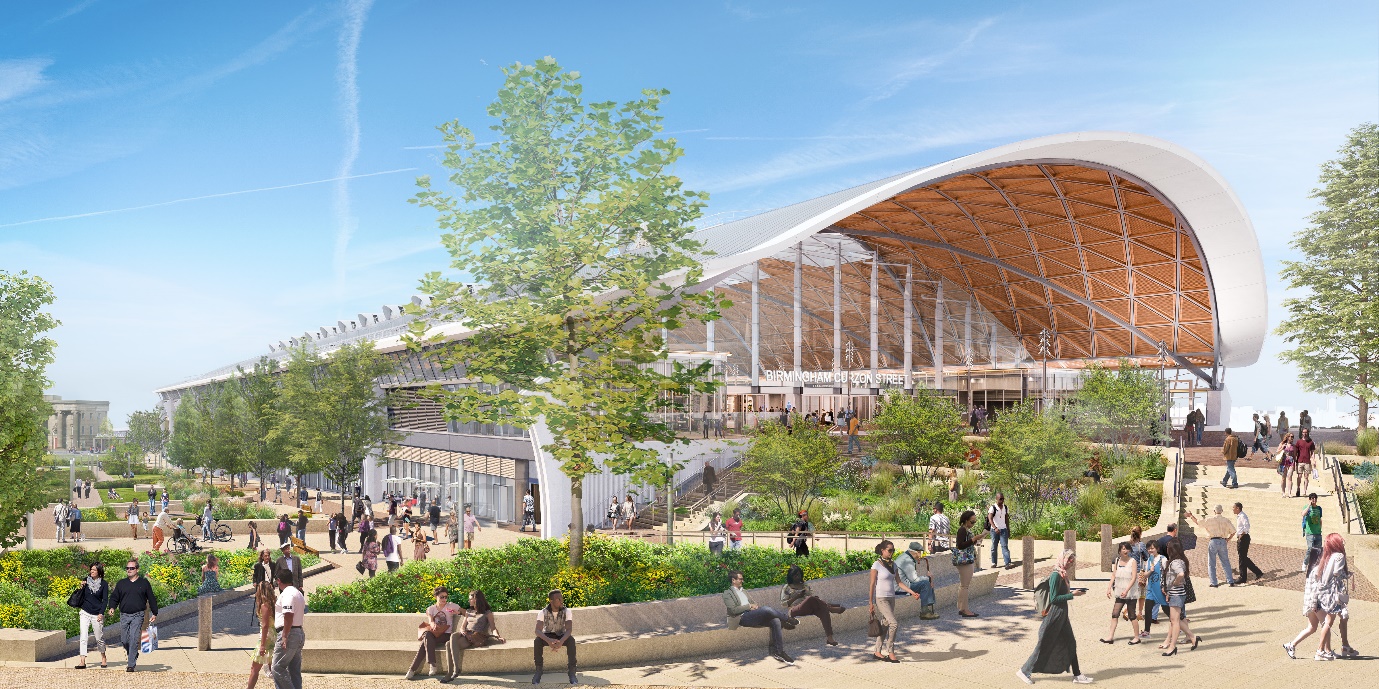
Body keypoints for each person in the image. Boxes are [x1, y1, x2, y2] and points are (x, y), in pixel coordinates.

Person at [1017, 550, 1092, 684]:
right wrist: (1073, 595)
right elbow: (1054, 598)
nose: (1071, 562)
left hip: (1062, 614)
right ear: (1062, 558)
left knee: (1071, 643)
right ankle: (1024, 671)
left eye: (1072, 560)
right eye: (1069, 559)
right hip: (1055, 614)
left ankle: (1077, 675)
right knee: (1043, 644)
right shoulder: (1056, 576)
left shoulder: (1063, 574)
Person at [722, 570, 797, 665]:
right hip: (742, 618)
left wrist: (755, 606)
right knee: (766, 609)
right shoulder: (727, 593)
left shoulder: (743, 591)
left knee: (776, 620)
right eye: (740, 579)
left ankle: (779, 652)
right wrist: (749, 606)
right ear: (733, 580)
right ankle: (787, 619)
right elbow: (733, 610)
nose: (742, 581)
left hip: (753, 615)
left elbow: (753, 603)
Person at [870, 540, 922, 662]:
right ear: (882, 550)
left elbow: (899, 582)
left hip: (891, 598)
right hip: (881, 598)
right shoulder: (876, 565)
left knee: (886, 624)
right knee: (894, 624)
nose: (892, 553)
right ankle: (891, 651)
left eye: (893, 550)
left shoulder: (893, 565)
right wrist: (870, 603)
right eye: (889, 550)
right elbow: (872, 584)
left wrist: (912, 592)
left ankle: (877, 651)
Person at [109, 558, 159, 672]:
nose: (129, 570)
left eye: (132, 568)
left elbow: (151, 598)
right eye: (127, 568)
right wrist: (112, 607)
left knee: (133, 639)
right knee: (124, 640)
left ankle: (131, 664)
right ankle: (133, 654)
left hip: (138, 615)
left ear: (137, 569)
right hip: (124, 615)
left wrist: (154, 612)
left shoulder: (144, 583)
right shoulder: (121, 583)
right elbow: (114, 597)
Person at [781, 564, 845, 646]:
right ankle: (830, 607)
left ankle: (830, 638)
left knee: (822, 610)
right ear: (791, 576)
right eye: (795, 575)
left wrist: (807, 596)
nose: (797, 577)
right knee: (812, 599)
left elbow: (811, 597)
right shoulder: (787, 587)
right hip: (794, 610)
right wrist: (797, 597)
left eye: (799, 574)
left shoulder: (804, 585)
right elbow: (783, 604)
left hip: (808, 607)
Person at [444, 590, 500, 682]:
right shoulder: (468, 611)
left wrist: (497, 636)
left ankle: (452, 672)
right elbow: (462, 627)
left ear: (476, 600)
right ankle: (454, 670)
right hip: (466, 634)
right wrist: (463, 632)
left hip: (476, 636)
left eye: (470, 599)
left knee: (447, 644)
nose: (469, 601)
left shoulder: (487, 613)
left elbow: (493, 628)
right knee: (453, 636)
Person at [406, 585, 458, 679]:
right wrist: (433, 623)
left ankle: (414, 669)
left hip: (446, 635)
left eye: (446, 597)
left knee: (425, 640)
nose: (444, 599)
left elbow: (463, 611)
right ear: (436, 597)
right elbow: (430, 619)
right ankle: (428, 666)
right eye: (442, 597)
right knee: (427, 637)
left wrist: (457, 612)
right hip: (434, 634)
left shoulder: (450, 605)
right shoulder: (431, 609)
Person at [1314, 533, 1353, 660]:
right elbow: (1337, 573)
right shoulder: (1340, 556)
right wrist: (1346, 576)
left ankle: (1345, 645)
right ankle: (1320, 650)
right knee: (1329, 621)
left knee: (1343, 616)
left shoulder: (1328, 556)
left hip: (1325, 592)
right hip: (1334, 593)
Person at [1159, 539, 1200, 656]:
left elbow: (1181, 574)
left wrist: (1176, 582)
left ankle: (1172, 647)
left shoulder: (1175, 562)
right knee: (1176, 619)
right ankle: (1193, 637)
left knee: (1175, 621)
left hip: (1176, 594)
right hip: (1177, 594)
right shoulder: (1181, 560)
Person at [271, 567, 307, 689]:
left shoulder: (287, 594)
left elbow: (288, 614)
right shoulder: (297, 593)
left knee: (277, 667)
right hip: (298, 632)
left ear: (279, 580)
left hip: (289, 633)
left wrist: (285, 635)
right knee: (294, 669)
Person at [1100, 543, 1142, 644]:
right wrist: (1109, 587)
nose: (1125, 551)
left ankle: (1137, 637)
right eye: (1123, 549)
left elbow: (1133, 578)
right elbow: (1114, 575)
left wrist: (1126, 590)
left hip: (1130, 592)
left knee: (1132, 615)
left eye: (1127, 549)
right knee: (1115, 614)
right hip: (1120, 591)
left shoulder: (1133, 561)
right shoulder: (1117, 560)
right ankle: (1110, 637)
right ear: (1119, 551)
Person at [533, 589, 578, 684]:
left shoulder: (567, 611)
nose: (561, 600)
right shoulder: (543, 612)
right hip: (548, 635)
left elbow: (569, 629)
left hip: (562, 635)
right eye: (558, 599)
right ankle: (538, 670)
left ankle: (572, 672)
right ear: (551, 601)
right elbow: (537, 630)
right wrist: (549, 641)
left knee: (571, 640)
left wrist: (561, 642)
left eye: (561, 598)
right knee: (537, 641)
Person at [1185, 506, 1235, 587]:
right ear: (1222, 511)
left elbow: (1198, 522)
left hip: (1213, 541)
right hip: (1223, 541)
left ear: (1214, 511)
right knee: (1225, 562)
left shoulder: (1210, 519)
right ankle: (1230, 581)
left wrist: (1191, 515)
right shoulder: (1226, 520)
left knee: (1211, 563)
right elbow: (1233, 531)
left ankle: (1214, 582)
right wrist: (1228, 539)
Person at [75, 562, 111, 669]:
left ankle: (103, 656)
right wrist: (81, 586)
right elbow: (81, 594)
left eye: (94, 570)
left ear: (99, 572)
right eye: (91, 569)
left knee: (99, 638)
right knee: (83, 636)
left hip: (97, 614)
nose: (91, 571)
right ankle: (82, 661)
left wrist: (101, 613)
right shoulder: (86, 580)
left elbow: (105, 600)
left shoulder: (103, 584)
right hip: (85, 612)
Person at [954, 509, 986, 617]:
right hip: (964, 561)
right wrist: (973, 540)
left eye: (974, 522)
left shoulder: (966, 530)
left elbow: (965, 544)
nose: (973, 524)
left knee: (963, 585)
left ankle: (962, 607)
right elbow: (960, 545)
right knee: (965, 586)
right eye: (972, 522)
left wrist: (976, 539)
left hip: (967, 560)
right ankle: (965, 609)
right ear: (966, 520)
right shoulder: (962, 530)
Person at [894, 541, 939, 619]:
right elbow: (914, 579)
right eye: (920, 553)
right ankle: (925, 612)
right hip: (900, 587)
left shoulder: (904, 556)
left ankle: (928, 608)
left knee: (926, 582)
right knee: (925, 583)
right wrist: (928, 578)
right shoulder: (907, 561)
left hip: (899, 584)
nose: (920, 555)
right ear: (915, 552)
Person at [245, 580, 276, 689]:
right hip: (273, 636)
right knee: (274, 668)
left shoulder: (265, 605)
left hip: (266, 638)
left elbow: (265, 626)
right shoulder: (274, 602)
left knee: (255, 668)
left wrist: (262, 645)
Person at [1231, 502, 1264, 584]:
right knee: (1243, 557)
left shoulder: (1242, 516)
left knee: (1242, 558)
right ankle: (1257, 572)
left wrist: (1241, 535)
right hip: (1242, 538)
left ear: (1238, 508)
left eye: (1233, 507)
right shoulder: (1239, 516)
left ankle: (1243, 577)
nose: (1233, 509)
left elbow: (1247, 526)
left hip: (1244, 538)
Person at [1140, 540, 1167, 638]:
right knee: (1147, 610)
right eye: (1149, 549)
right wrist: (1150, 571)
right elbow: (1145, 575)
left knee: (1167, 610)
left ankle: (1179, 626)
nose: (1150, 550)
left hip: (1160, 589)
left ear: (1157, 549)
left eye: (1152, 548)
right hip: (1150, 589)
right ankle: (1147, 631)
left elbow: (1167, 573)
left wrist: (1166, 587)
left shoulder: (1162, 559)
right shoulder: (1148, 561)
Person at [988, 492, 1012, 569]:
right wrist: (995, 528)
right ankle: (994, 562)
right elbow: (990, 519)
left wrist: (1008, 529)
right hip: (994, 531)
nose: (1002, 500)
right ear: (996, 499)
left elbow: (1006, 519)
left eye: (1003, 499)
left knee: (1004, 546)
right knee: (994, 547)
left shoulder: (1005, 507)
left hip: (1003, 529)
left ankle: (1007, 563)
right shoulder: (993, 508)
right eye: (1000, 499)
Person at [1302, 493, 1324, 567]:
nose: (1314, 500)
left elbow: (1320, 519)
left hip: (1317, 532)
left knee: (1318, 550)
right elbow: (1303, 514)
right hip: (1310, 533)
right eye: (1312, 498)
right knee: (1310, 549)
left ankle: (1316, 564)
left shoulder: (1319, 508)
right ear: (1310, 499)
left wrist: (1320, 528)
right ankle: (1305, 563)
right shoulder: (1307, 507)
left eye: (1315, 498)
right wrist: (1309, 505)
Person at [1295, 428, 1318, 496]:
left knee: (1306, 477)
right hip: (1300, 461)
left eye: (1306, 432)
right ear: (1302, 433)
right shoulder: (1299, 441)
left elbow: (1312, 452)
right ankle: (1298, 489)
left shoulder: (1311, 442)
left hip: (1307, 461)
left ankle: (1304, 491)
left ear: (1308, 433)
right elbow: (1296, 451)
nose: (1304, 434)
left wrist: (1313, 460)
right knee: (1299, 476)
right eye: (1303, 432)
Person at [1275, 432, 1297, 497]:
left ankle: (1289, 493)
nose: (1292, 438)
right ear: (1287, 437)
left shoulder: (1294, 446)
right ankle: (1283, 492)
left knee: (1289, 477)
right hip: (1283, 461)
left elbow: (1295, 455)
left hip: (1291, 461)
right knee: (1283, 478)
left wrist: (1295, 463)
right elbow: (1277, 451)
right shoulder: (1282, 444)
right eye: (1291, 436)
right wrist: (1282, 448)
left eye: (1293, 437)